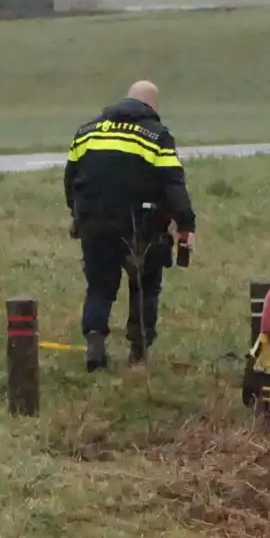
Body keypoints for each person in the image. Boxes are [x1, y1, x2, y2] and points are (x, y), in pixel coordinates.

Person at [64, 80, 197, 372]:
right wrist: (186, 224)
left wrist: (78, 215)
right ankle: (138, 350)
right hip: (141, 226)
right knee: (145, 288)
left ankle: (95, 345)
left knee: (99, 287)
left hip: (94, 223)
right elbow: (173, 183)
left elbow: (70, 178)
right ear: (152, 106)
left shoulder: (87, 131)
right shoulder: (156, 135)